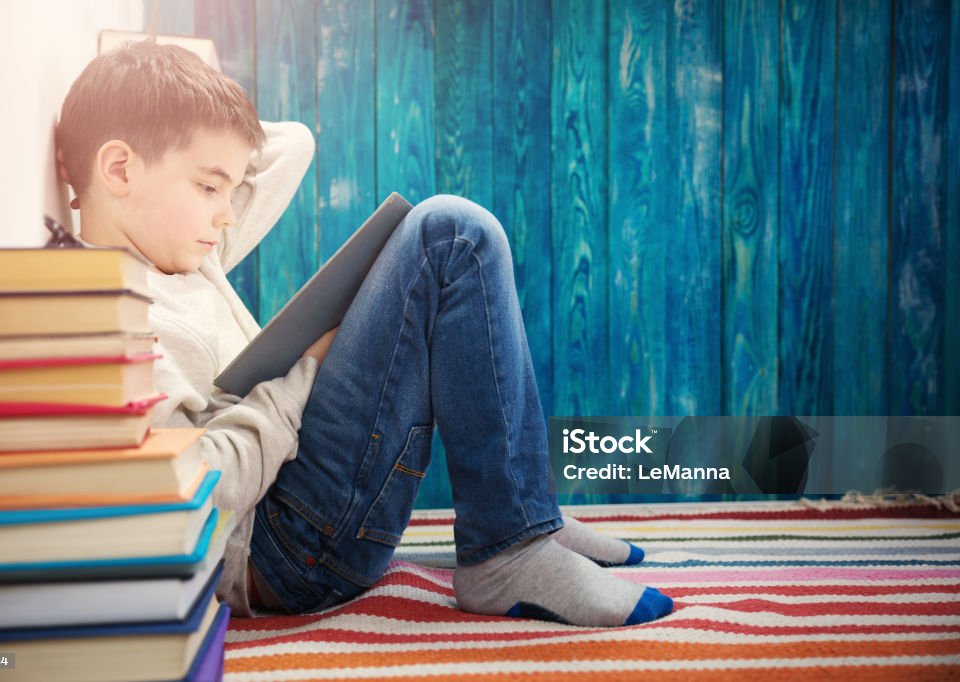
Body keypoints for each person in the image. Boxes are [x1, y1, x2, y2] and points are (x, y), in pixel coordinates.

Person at [56, 40, 673, 627]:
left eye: (228, 188)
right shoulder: (116, 311)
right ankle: (507, 552)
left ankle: (520, 517)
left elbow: (289, 144)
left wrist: (178, 107)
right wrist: (303, 375)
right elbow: (197, 488)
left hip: (296, 509)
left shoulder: (181, 248)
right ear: (118, 168)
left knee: (450, 234)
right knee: (450, 235)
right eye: (209, 186)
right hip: (276, 551)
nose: (226, 211)